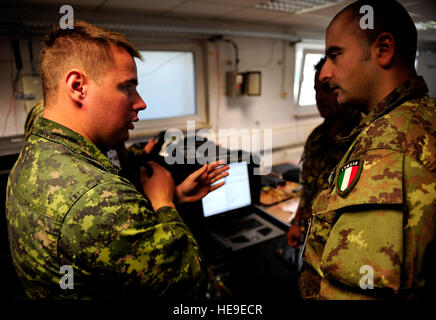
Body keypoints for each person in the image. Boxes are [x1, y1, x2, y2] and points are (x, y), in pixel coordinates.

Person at [6, 21, 229, 300]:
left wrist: (177, 198)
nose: (141, 102)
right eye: (127, 88)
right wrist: (164, 202)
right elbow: (188, 284)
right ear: (78, 87)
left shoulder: (37, 151)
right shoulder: (99, 197)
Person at [301, 0, 436, 299]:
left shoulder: (390, 147)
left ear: (383, 50)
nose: (324, 74)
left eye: (335, 55)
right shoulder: (413, 119)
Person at [287, 57, 361, 252]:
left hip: (342, 246)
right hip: (310, 237)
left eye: (327, 89)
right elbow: (307, 188)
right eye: (316, 90)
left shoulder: (362, 136)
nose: (320, 97)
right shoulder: (316, 137)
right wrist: (296, 222)